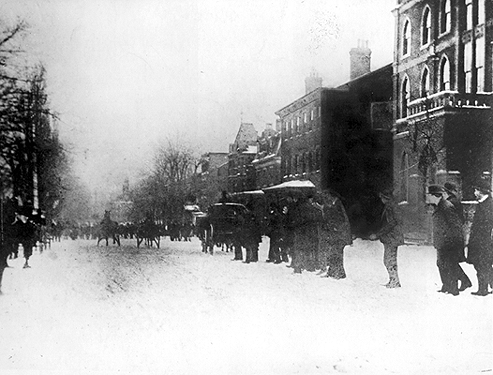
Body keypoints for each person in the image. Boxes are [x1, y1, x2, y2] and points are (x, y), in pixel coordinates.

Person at [427, 185, 464, 295]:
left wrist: (453, 242)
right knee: (441, 264)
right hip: (442, 242)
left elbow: (455, 225)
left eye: (429, 195)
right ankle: (446, 286)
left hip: (448, 243)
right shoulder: (439, 206)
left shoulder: (446, 206)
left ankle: (453, 289)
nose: (428, 197)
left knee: (450, 264)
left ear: (434, 195)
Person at [370, 188, 404, 288]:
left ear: (386, 198)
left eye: (382, 198)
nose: (381, 200)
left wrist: (378, 234)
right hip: (392, 237)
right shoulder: (391, 206)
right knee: (388, 259)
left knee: (389, 260)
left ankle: (394, 281)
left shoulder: (391, 207)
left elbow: (391, 223)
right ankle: (393, 280)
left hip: (392, 237)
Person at [315, 190, 352, 279]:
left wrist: (335, 228)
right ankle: (332, 272)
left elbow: (340, 219)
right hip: (334, 233)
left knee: (336, 253)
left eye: (326, 196)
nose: (325, 198)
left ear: (331, 196)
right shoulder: (333, 204)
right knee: (332, 253)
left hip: (339, 234)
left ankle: (339, 274)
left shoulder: (337, 205)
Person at [466, 179, 493, 296]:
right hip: (479, 240)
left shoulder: (489, 204)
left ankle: (483, 289)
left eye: (476, 190)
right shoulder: (483, 203)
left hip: (484, 241)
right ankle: (487, 286)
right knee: (482, 264)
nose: (475, 192)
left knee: (482, 264)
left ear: (482, 191)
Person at [444, 182, 472, 291]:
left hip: (453, 236)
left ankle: (464, 281)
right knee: (450, 261)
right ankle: (463, 281)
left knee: (450, 261)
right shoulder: (454, 201)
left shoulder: (451, 203)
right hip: (455, 235)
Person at [287, 192, 321, 274]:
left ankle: (298, 267)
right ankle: (309, 266)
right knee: (307, 249)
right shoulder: (309, 207)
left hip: (300, 231)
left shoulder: (298, 207)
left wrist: (293, 224)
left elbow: (297, 219)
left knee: (299, 249)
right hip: (308, 232)